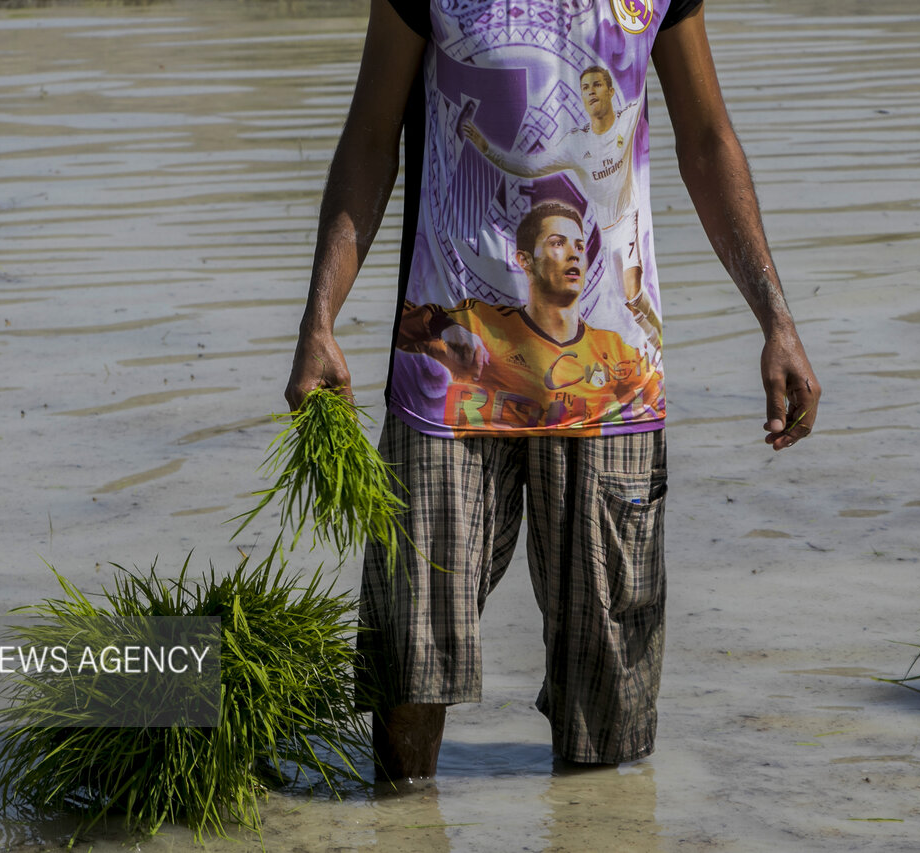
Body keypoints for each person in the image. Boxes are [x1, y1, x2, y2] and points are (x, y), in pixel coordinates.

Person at [284, 0, 820, 781]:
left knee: (609, 705)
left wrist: (776, 318)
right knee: (407, 661)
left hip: (612, 388)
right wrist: (319, 318)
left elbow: (708, 142)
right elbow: (371, 139)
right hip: (450, 378)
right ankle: (402, 819)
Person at [395, 201, 662, 433]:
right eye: (558, 243)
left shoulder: (613, 349)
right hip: (479, 441)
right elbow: (404, 327)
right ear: (524, 260)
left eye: (580, 246)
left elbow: (651, 394)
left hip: (582, 438)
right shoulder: (483, 326)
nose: (574, 254)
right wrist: (443, 326)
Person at [461, 67, 660, 352]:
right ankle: (653, 331)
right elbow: (529, 166)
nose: (591, 92)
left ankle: (656, 339)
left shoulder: (628, 119)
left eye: (597, 85)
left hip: (630, 215)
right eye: (586, 87)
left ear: (611, 90)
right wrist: (487, 148)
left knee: (631, 288)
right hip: (606, 230)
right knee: (629, 301)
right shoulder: (576, 143)